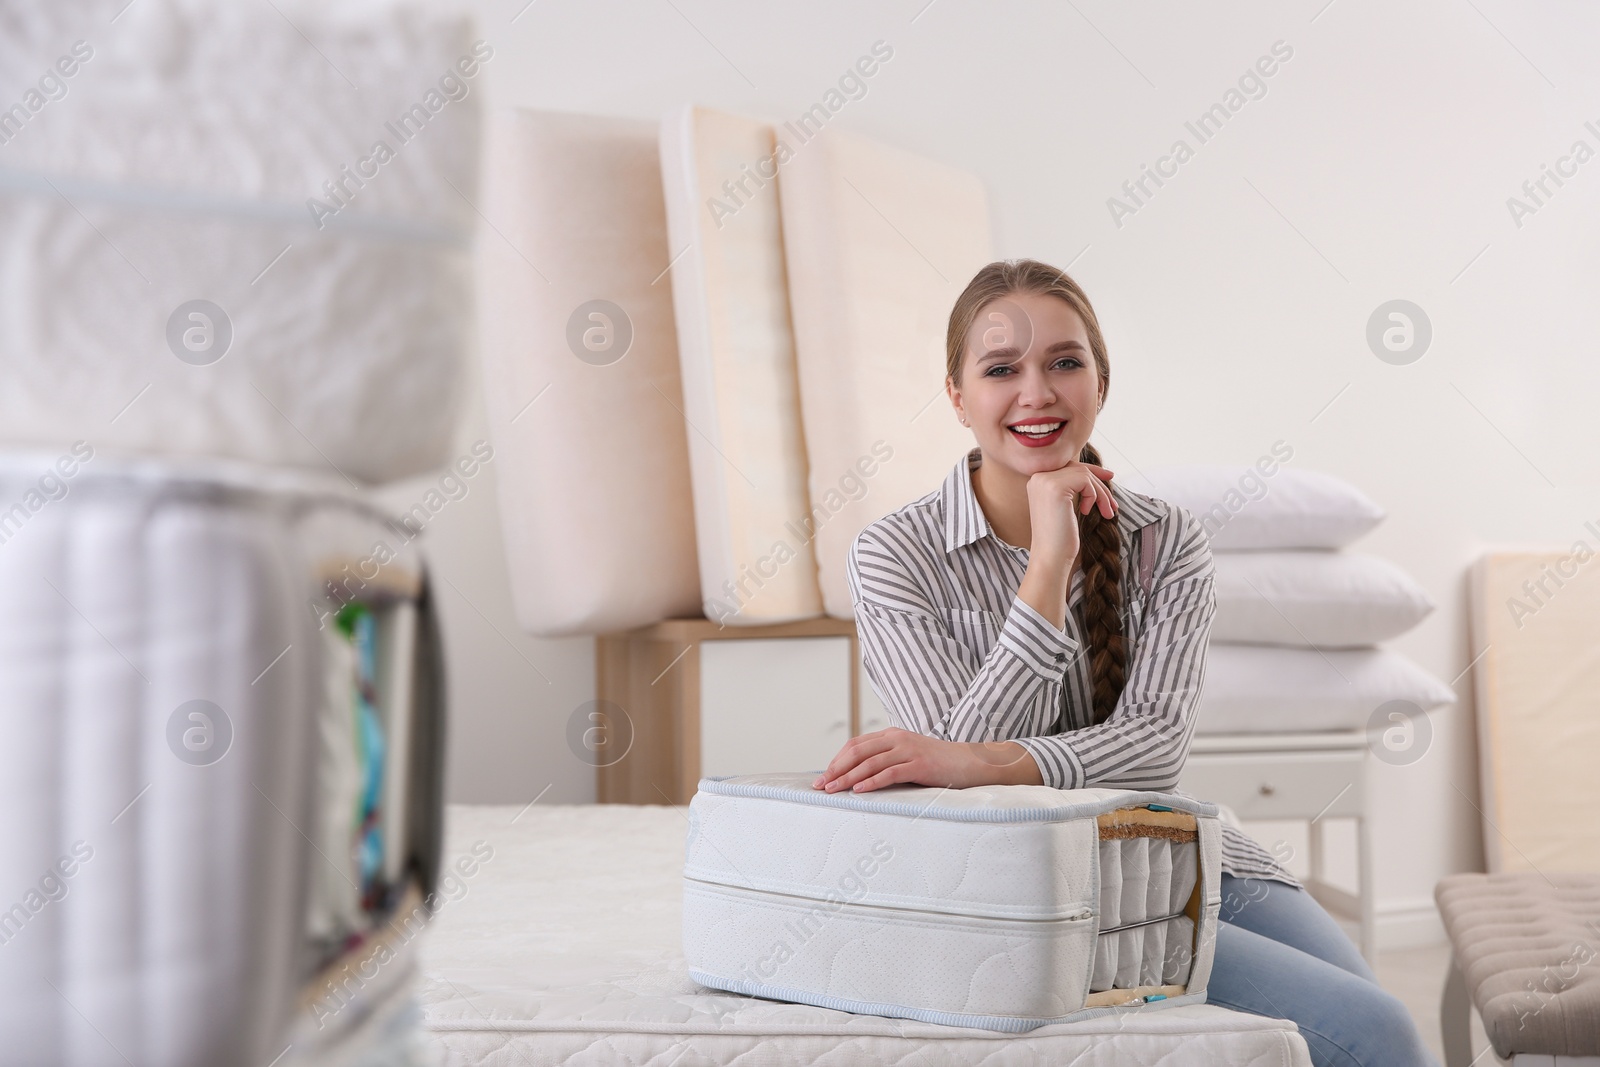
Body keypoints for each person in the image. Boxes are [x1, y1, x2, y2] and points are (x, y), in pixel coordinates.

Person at [812, 259, 1437, 1067]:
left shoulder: (1166, 539)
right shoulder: (894, 553)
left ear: (1100, 382)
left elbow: (1154, 750)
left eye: (1064, 362)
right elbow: (955, 795)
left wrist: (975, 759)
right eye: (1002, 369)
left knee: (1383, 1021)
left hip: (1172, 847)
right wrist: (1048, 567)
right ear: (958, 396)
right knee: (1374, 1036)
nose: (1036, 391)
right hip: (1027, 893)